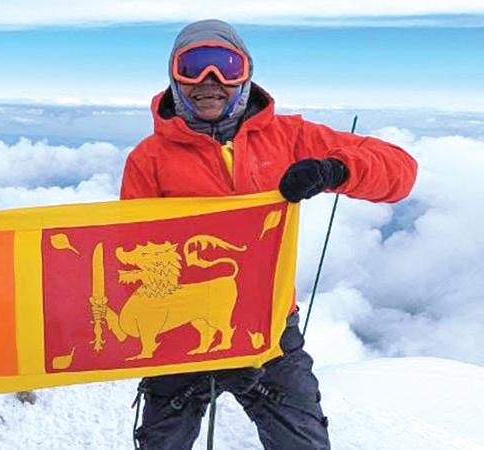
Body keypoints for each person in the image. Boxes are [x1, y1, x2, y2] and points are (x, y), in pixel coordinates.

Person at [121, 19, 417, 450]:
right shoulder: (149, 159)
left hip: (271, 327)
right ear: (174, 77)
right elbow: (134, 245)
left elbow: (399, 171)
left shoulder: (290, 137)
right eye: (193, 67)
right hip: (180, 327)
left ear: (245, 74)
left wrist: (333, 170)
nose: (210, 81)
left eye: (225, 66)